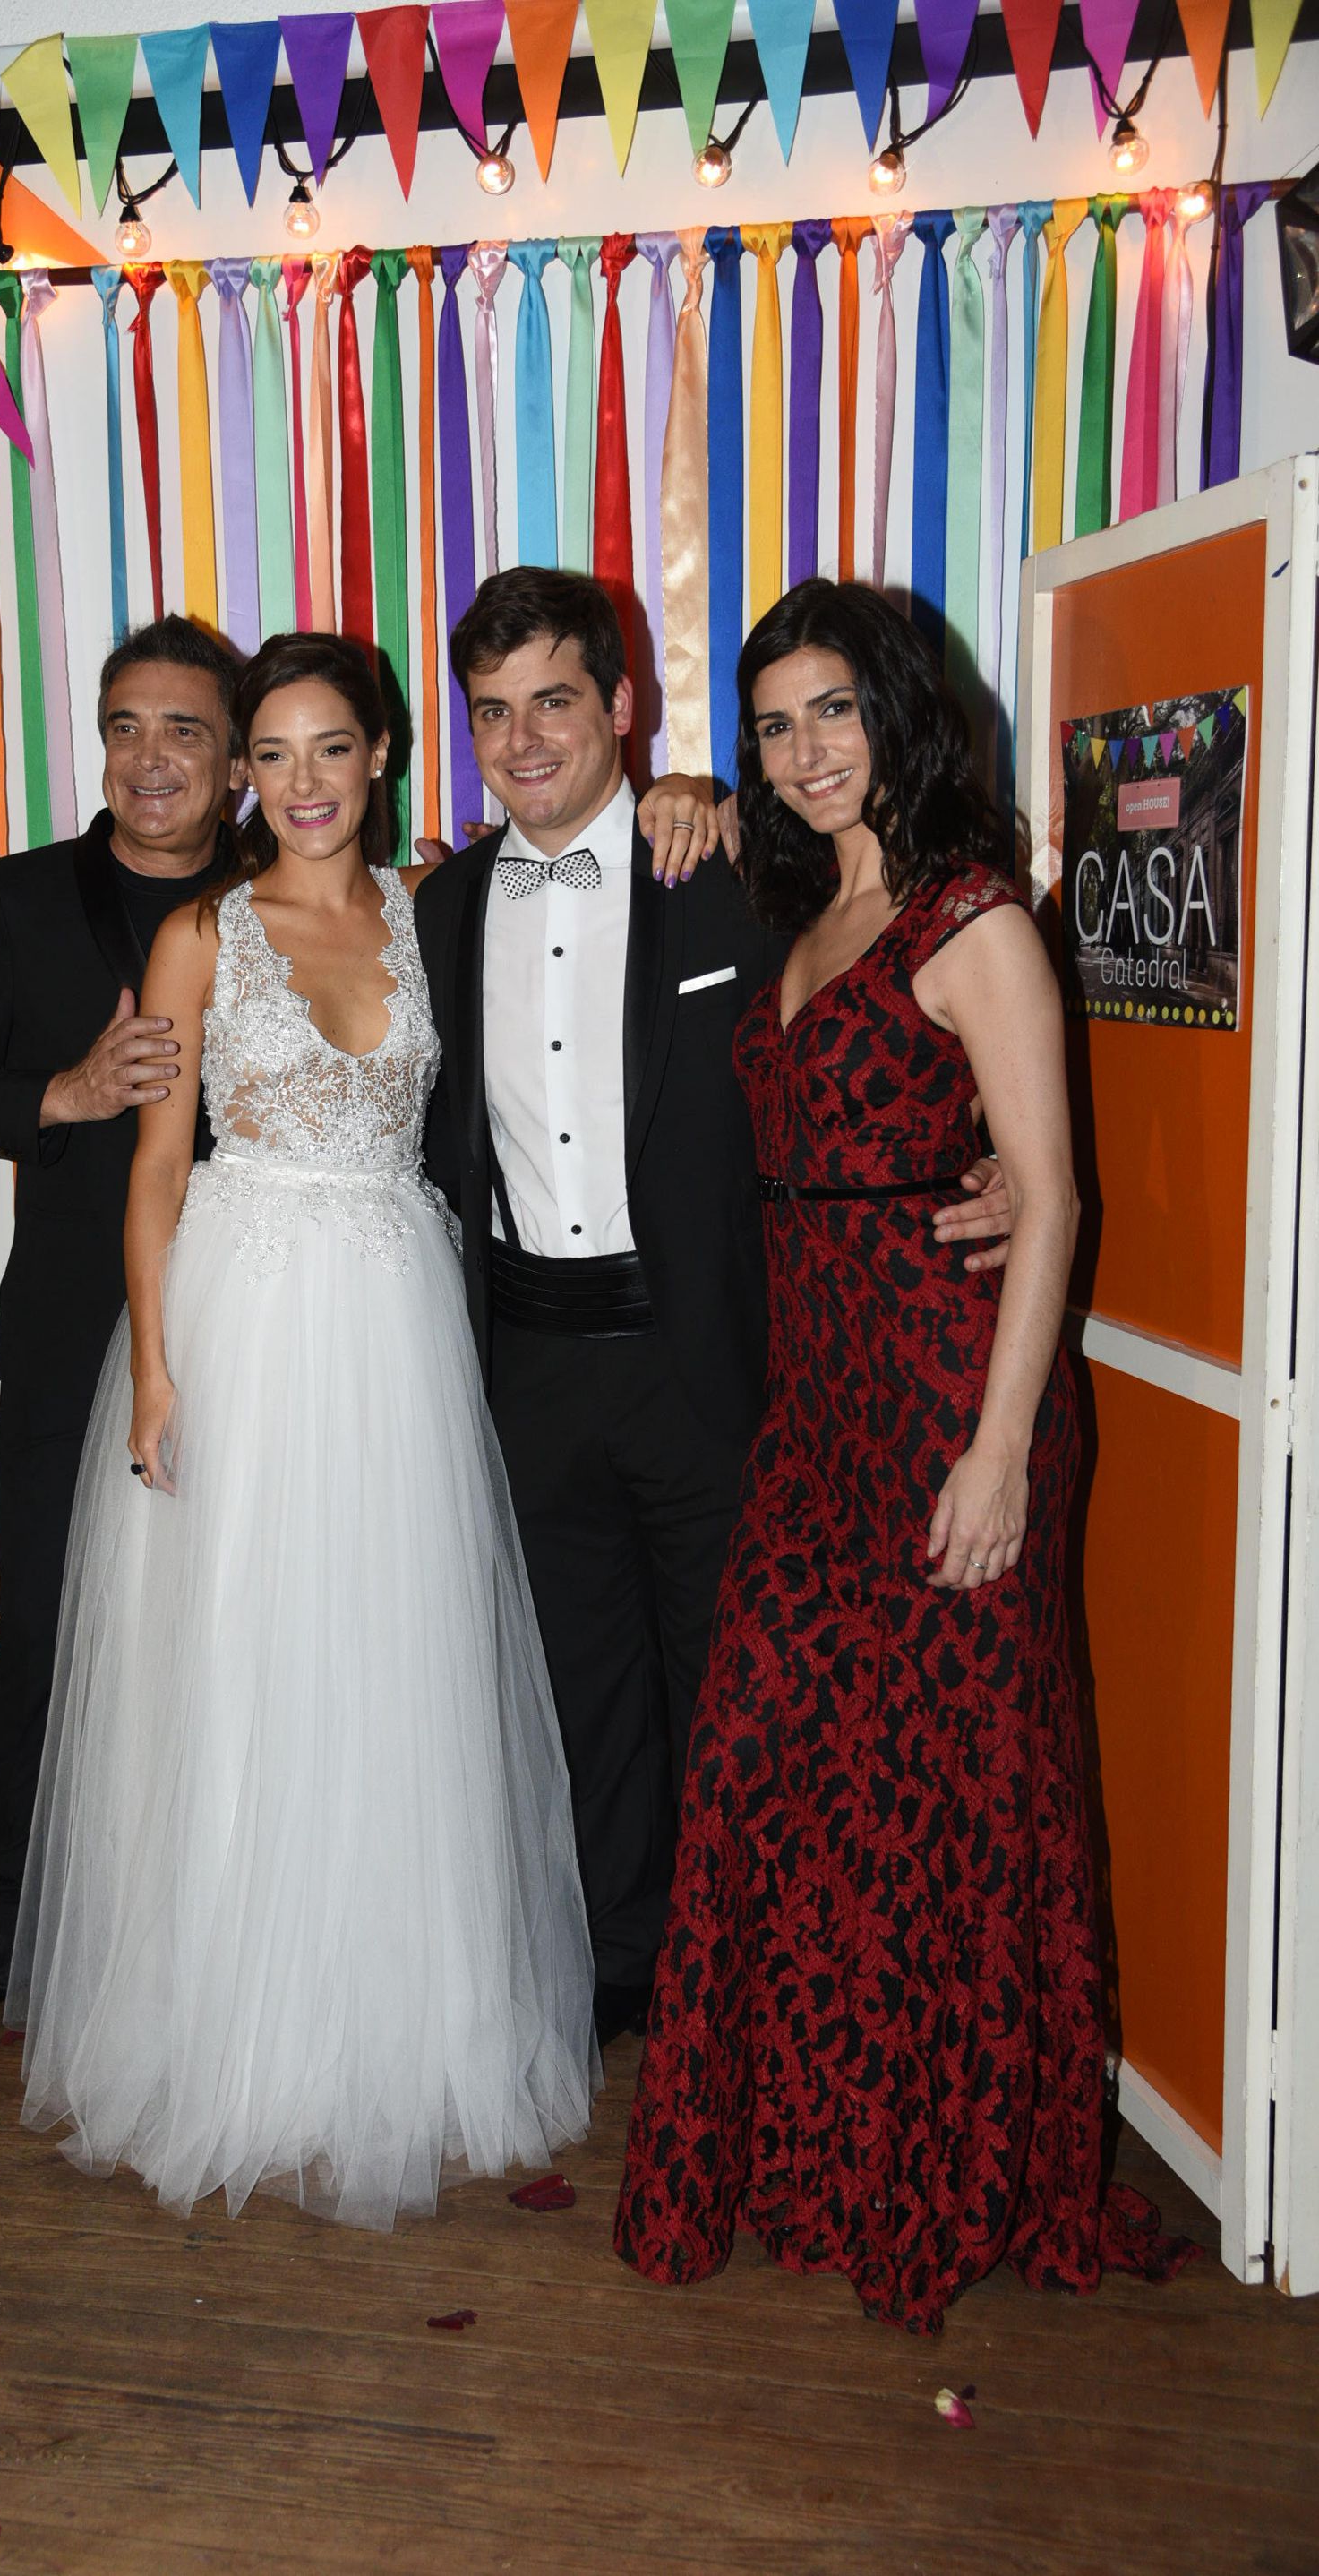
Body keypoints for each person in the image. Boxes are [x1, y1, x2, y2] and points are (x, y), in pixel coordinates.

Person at [614, 579, 1195, 2331]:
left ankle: (937, 2172)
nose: (805, 751)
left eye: (835, 712)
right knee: (773, 1768)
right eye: (774, 723)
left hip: (954, 1399)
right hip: (819, 1416)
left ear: (900, 713)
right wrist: (686, 793)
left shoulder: (973, 917)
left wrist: (1003, 1452)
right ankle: (808, 2148)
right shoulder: (802, 899)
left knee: (949, 1798)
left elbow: (1054, 1195)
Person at [6, 633, 597, 2229]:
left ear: (382, 754)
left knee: (389, 1663)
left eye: (330, 748)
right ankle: (232, 2034)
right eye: (270, 755)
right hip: (244, 1317)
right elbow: (155, 1169)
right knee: (245, 1664)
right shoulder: (201, 933)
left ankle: (393, 2024)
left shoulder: (432, 908)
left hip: (397, 1321)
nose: (300, 783)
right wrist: (153, 1371)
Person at [412, 570, 1013, 2046]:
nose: (522, 740)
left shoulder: (743, 866)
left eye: (555, 701)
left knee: (737, 1697)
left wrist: (993, 1154)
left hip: (713, 1358)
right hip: (527, 1359)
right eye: (491, 712)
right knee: (581, 1688)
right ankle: (623, 1961)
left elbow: (889, 1007)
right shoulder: (440, 907)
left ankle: (736, 1973)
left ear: (624, 705)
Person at [0, 616, 238, 2034]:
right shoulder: (20, 897)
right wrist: (64, 1095)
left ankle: (222, 1928)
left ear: (237, 763)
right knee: (45, 1632)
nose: (150, 758)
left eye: (185, 730)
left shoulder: (297, 888)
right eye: (125, 726)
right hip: (74, 1327)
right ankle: (16, 1925)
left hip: (261, 1319)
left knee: (238, 1627)